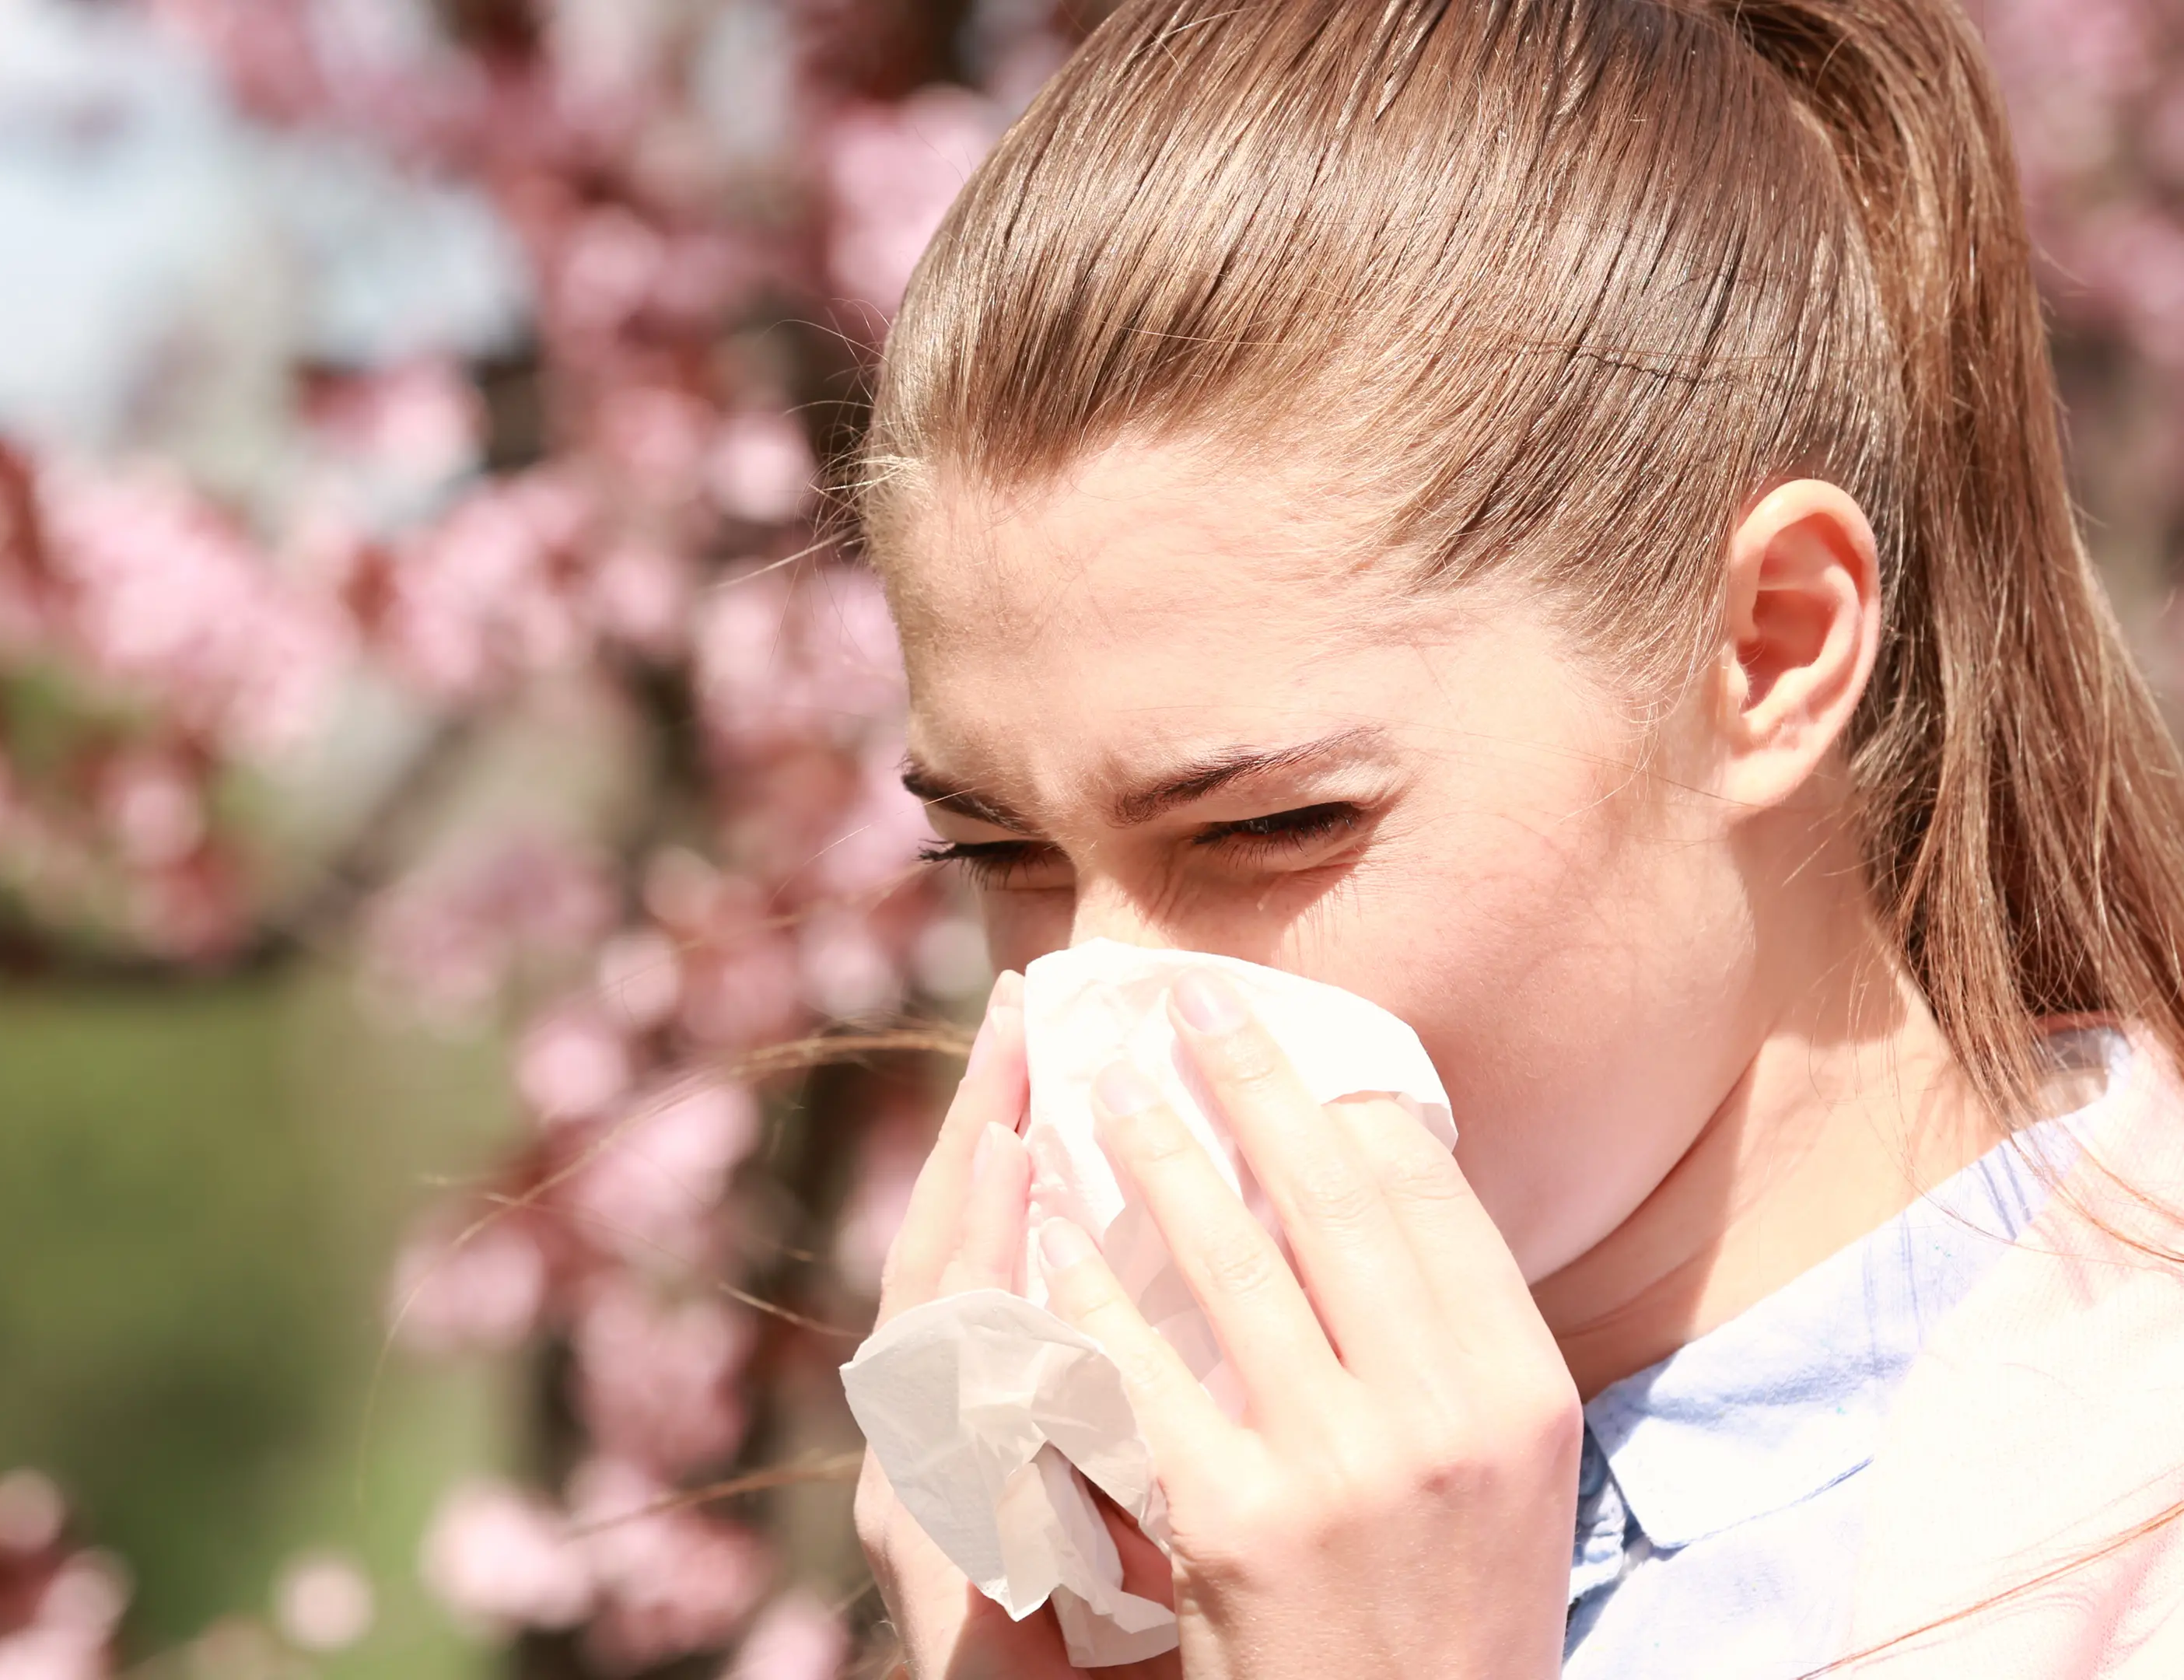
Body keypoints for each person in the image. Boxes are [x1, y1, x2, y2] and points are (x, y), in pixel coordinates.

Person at [849, 1, 2184, 1675]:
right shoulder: (1109, 1551)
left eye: (1273, 826)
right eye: (1003, 857)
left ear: (1773, 647)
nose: (1102, 995)